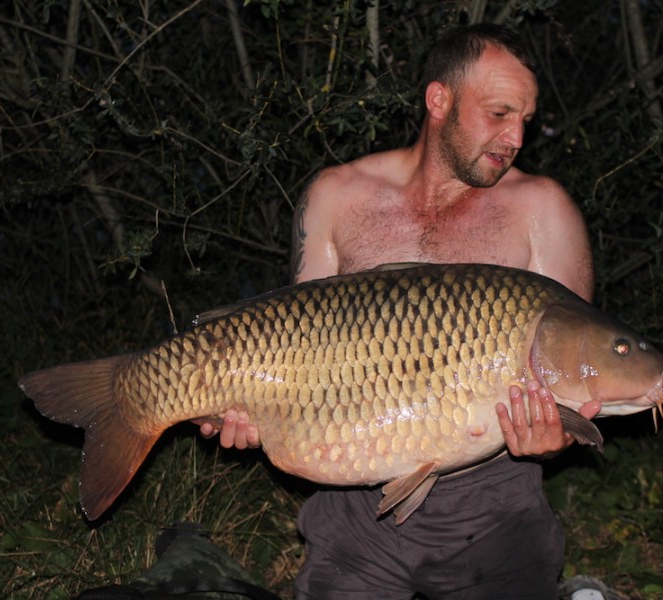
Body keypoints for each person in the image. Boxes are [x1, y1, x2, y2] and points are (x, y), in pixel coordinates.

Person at [201, 24, 602, 599]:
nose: (515, 137)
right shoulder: (338, 196)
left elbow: (572, 367)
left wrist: (557, 434)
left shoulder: (543, 210)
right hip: (353, 501)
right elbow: (290, 345)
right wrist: (244, 406)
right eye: (498, 113)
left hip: (492, 505)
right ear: (439, 100)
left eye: (525, 120)